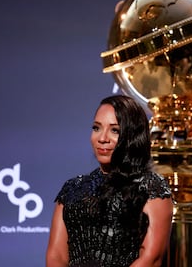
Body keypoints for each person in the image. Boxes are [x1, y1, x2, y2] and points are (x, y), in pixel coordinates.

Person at [46, 94, 173, 267]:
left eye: (115, 130)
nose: (102, 138)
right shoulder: (73, 189)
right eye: (96, 128)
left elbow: (150, 259)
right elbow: (56, 257)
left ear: (132, 136)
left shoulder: (151, 188)